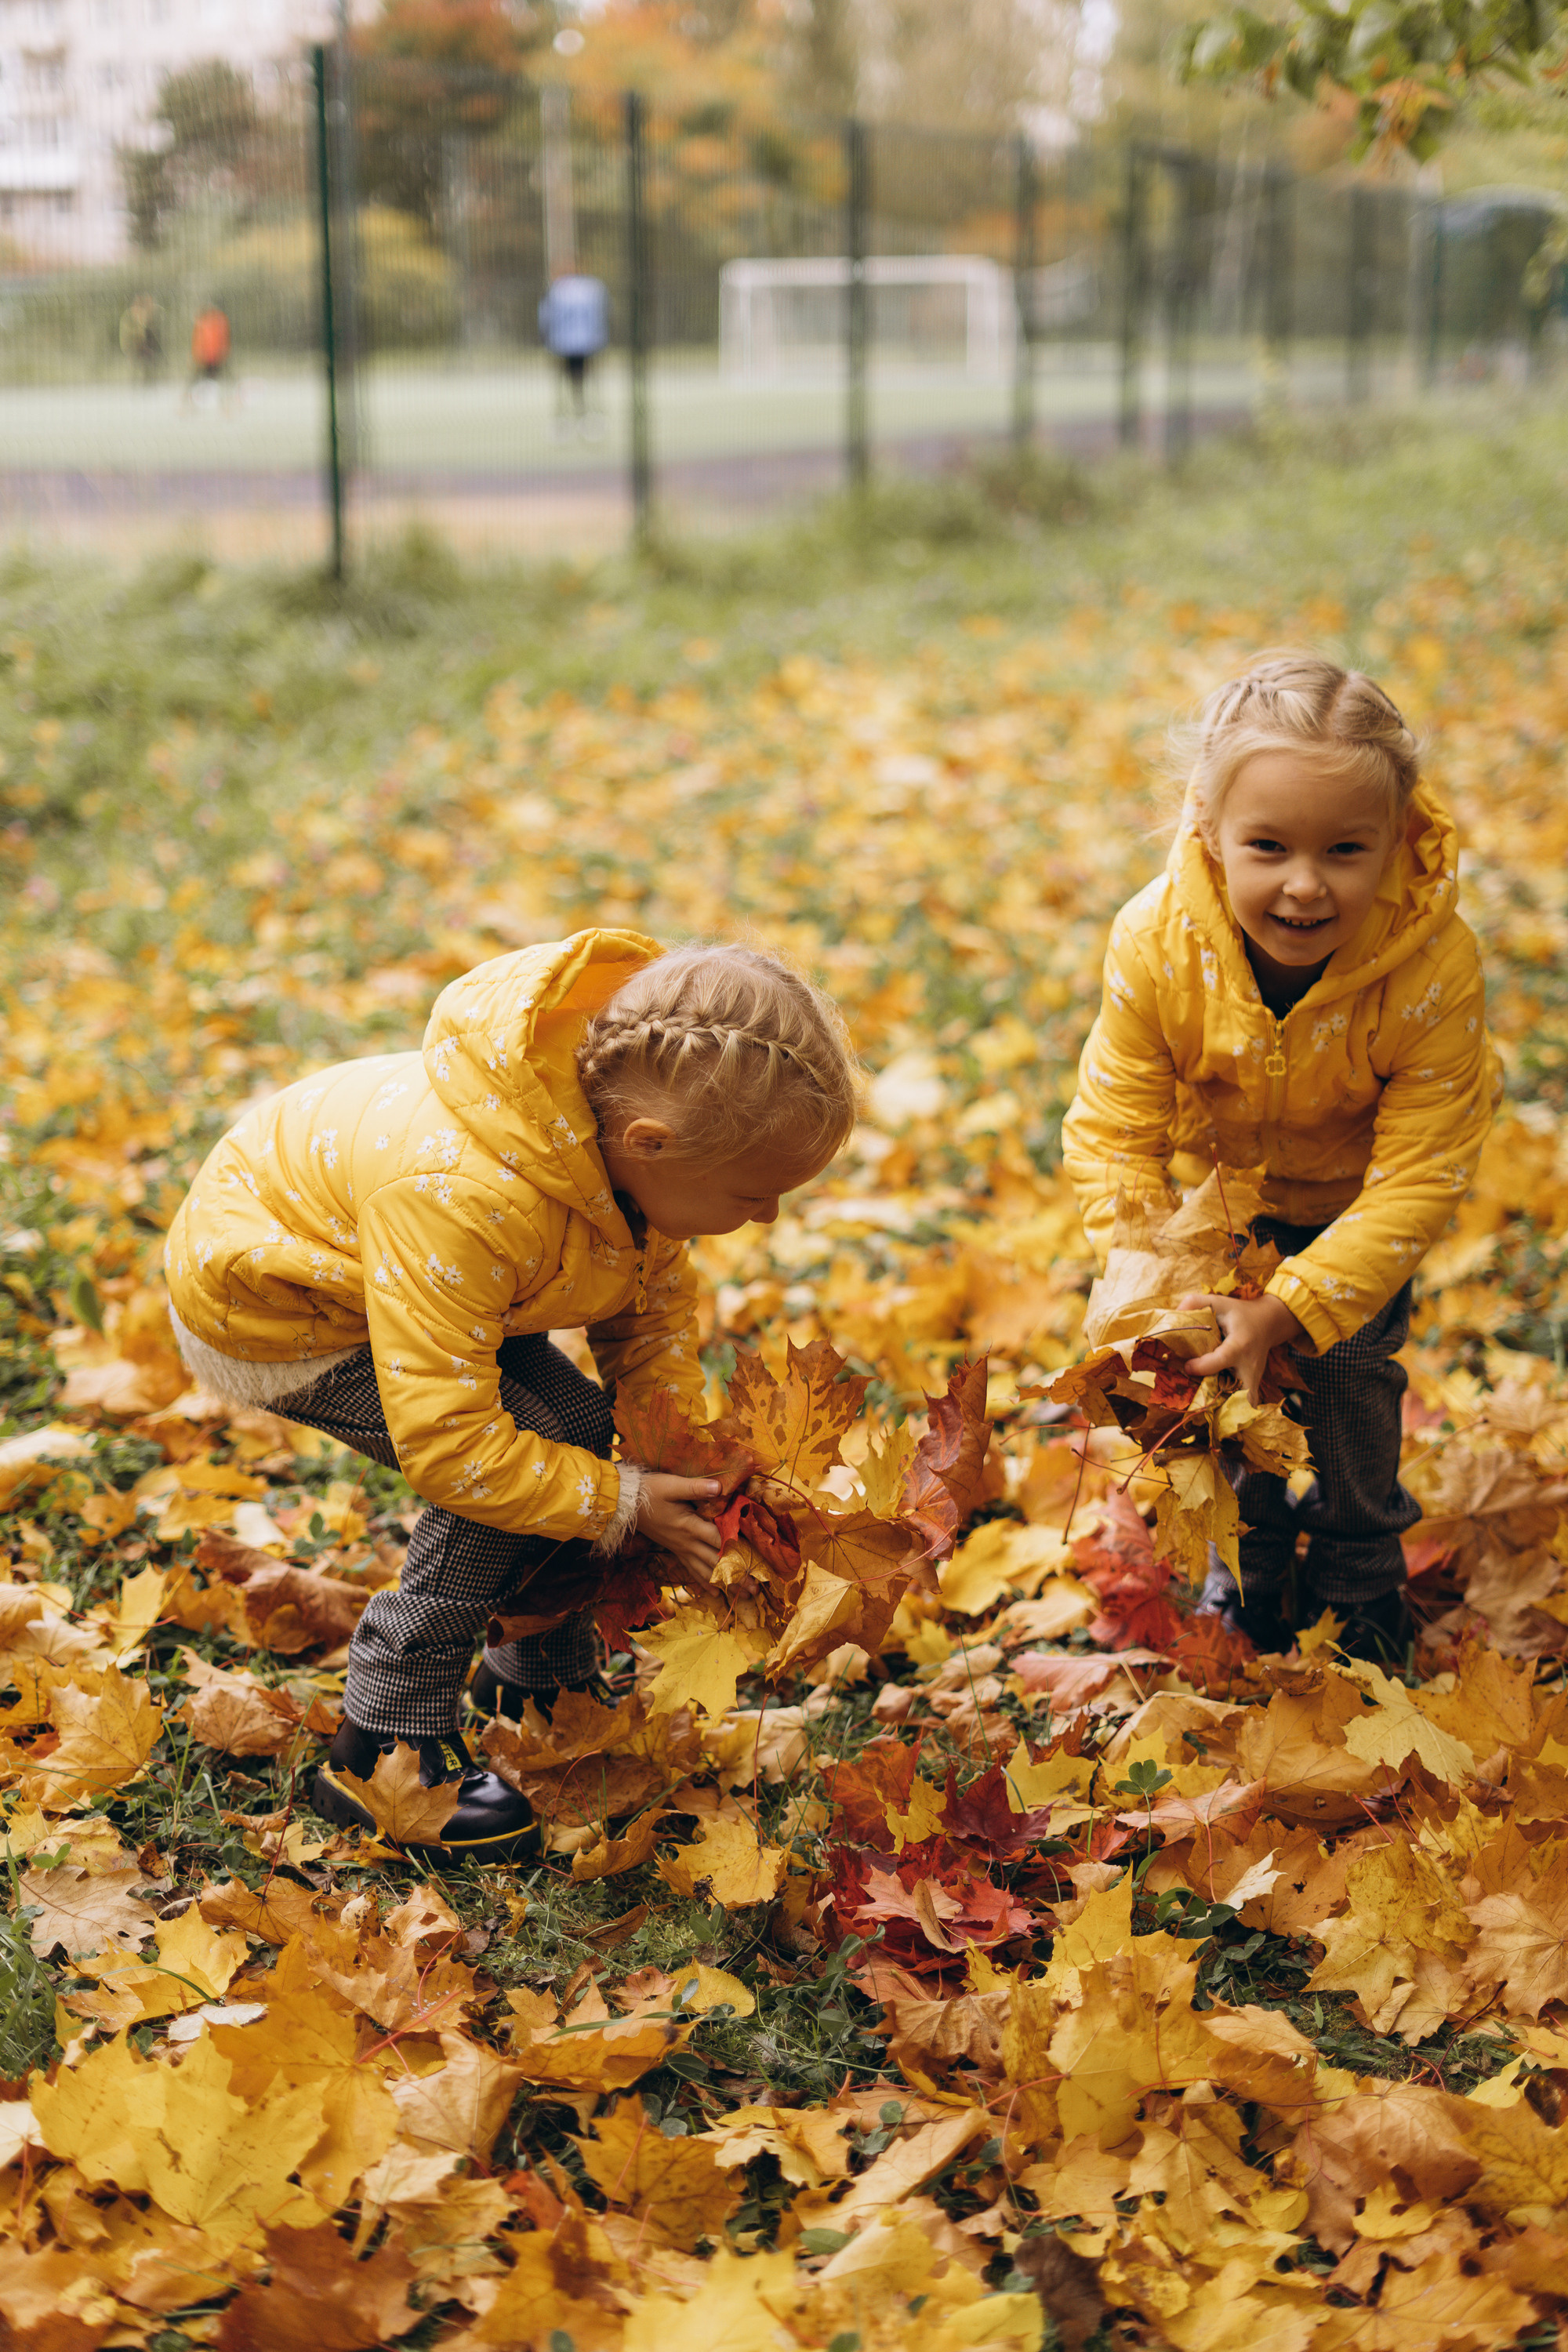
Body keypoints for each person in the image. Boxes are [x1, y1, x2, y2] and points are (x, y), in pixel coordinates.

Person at [163, 933, 858, 1860]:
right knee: (520, 1463)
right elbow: (450, 1448)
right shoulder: (464, 1195)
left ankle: (533, 1674)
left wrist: (674, 1456)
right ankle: (383, 1736)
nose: (767, 1215)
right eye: (752, 1196)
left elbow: (648, 1315)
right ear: (649, 1145)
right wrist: (620, 1502)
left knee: (569, 1432)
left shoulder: (622, 1144)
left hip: (440, 1286)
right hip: (282, 1312)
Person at [1062, 654, 1498, 1661]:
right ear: (1208, 828)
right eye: (1267, 846)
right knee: (1221, 1396)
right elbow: (1114, 1126)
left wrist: (1291, 1308)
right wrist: (1151, 1273)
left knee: (1346, 1390)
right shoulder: (1154, 941)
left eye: (1344, 849)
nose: (1304, 885)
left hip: (1355, 1218)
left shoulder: (1432, 967)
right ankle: (1246, 1583)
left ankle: (1358, 1588)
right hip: (1219, 1215)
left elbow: (1418, 1175)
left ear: (1395, 836)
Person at [538, 272, 608, 432]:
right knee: (580, 381)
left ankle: (576, 417)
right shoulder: (592, 288)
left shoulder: (557, 291)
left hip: (566, 344)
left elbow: (544, 317)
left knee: (573, 382)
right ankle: (583, 417)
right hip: (583, 344)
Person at [187, 302, 230, 401]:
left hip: (211, 357)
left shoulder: (207, 323)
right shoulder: (217, 321)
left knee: (199, 379)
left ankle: (225, 400)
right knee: (203, 379)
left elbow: (204, 341)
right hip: (210, 356)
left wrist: (197, 356)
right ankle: (225, 400)